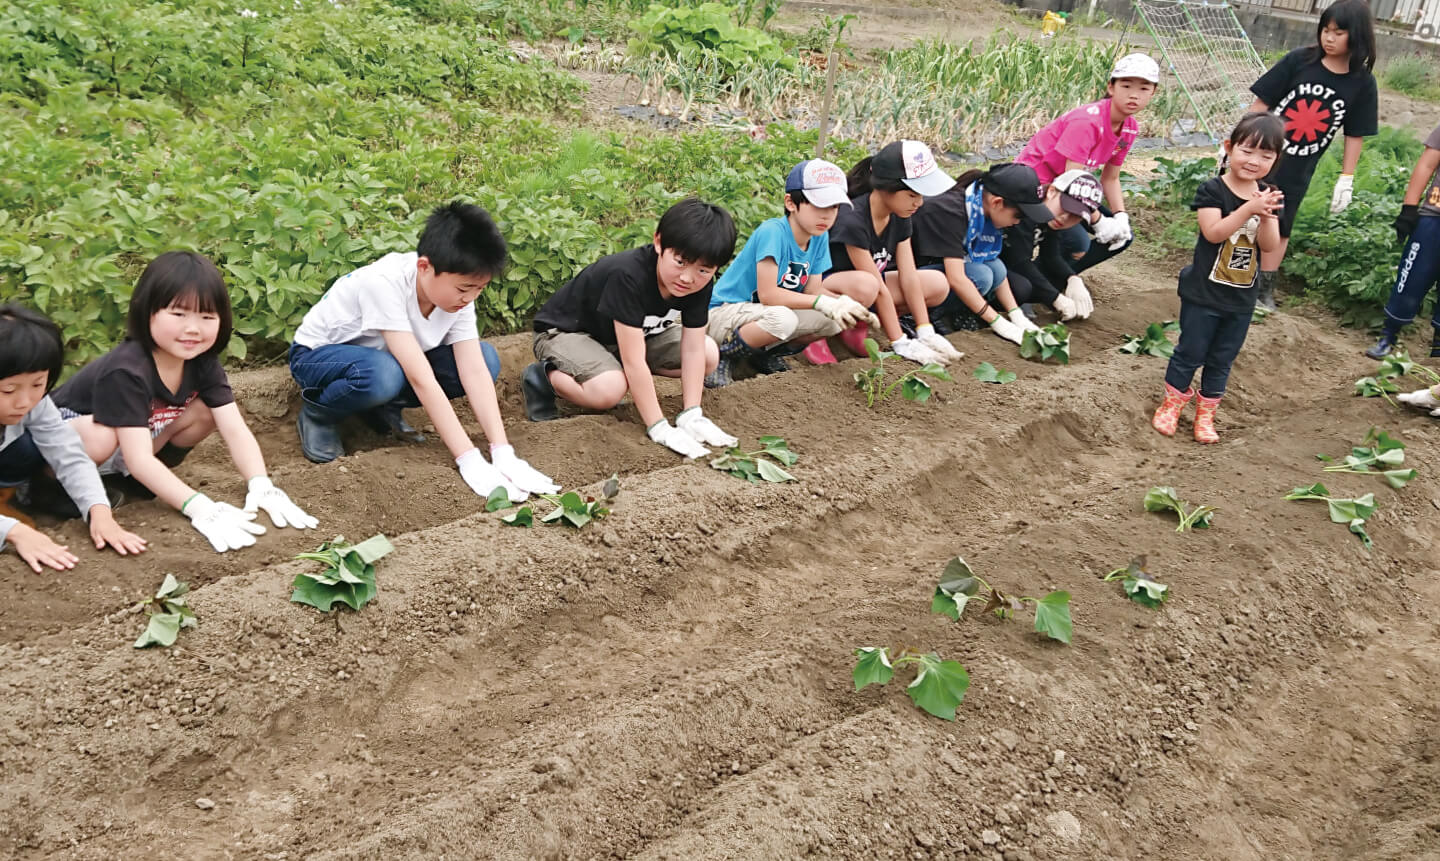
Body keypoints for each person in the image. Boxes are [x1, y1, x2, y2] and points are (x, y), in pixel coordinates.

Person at [290, 201, 556, 503]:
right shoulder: (385, 283)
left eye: (479, 289)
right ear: (424, 267)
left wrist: (502, 451)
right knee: (383, 375)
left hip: (384, 361)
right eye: (464, 288)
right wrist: (468, 458)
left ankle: (381, 406)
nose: (470, 298)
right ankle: (319, 414)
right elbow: (421, 379)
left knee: (486, 358)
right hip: (319, 356)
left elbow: (473, 370)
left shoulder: (459, 296)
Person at [53, 252, 317, 553]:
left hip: (129, 444)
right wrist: (198, 506)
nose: (193, 328)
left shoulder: (202, 362)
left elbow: (234, 428)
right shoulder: (126, 370)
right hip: (62, 451)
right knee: (102, 435)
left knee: (205, 412)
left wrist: (261, 484)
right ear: (146, 311)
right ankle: (51, 493)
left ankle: (139, 485)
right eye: (179, 315)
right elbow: (138, 458)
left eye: (207, 317)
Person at [521, 198, 741, 460]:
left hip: (626, 337)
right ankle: (542, 377)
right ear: (659, 243)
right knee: (611, 389)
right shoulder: (628, 276)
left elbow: (692, 347)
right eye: (680, 262)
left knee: (708, 353)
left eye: (703, 270)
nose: (688, 278)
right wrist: (658, 426)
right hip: (566, 333)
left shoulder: (699, 284)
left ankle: (608, 368)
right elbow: (634, 361)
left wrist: (691, 411)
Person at [1153, 113, 1286, 443]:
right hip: (1203, 293)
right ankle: (1171, 406)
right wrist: (1248, 210)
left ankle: (1205, 415)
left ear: (1275, 160)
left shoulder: (1268, 195)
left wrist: (1266, 215)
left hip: (1241, 297)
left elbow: (1268, 248)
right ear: (1229, 148)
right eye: (1247, 151)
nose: (1255, 161)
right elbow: (1213, 233)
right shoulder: (1213, 189)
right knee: (1191, 350)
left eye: (1266, 155)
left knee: (1223, 358)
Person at [1246, 0, 1378, 311]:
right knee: (1242, 212)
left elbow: (1354, 134)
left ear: (1356, 36)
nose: (1329, 38)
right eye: (1326, 30)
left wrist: (1346, 178)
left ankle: (1264, 288)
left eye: (1338, 32)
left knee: (1282, 223)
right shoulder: (1299, 61)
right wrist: (1240, 144)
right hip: (1262, 157)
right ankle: (1228, 274)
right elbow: (1260, 105)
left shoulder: (1361, 82)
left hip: (1299, 167)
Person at [0, 305, 147, 572]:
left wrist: (98, 510)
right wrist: (16, 532)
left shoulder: (36, 404)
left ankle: (14, 495)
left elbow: (68, 452)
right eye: (9, 390)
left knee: (32, 445)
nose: (24, 401)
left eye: (37, 384)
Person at [704, 159, 874, 388]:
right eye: (818, 206)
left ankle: (765, 355)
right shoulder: (773, 232)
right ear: (791, 203)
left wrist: (846, 305)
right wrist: (825, 302)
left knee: (832, 321)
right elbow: (769, 296)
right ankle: (724, 358)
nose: (826, 216)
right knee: (783, 319)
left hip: (762, 316)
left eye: (833, 207)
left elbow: (813, 291)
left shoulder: (819, 237)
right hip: (722, 313)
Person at [821, 140, 964, 366]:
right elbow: (878, 288)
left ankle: (864, 322)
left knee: (937, 283)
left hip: (867, 288)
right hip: (828, 289)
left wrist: (925, 329)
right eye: (912, 195)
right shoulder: (853, 219)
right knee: (867, 285)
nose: (919, 202)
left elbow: (909, 276)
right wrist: (899, 341)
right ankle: (824, 332)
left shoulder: (900, 215)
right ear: (886, 187)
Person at [1015, 52, 1159, 275]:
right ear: (1111, 87)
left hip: (1068, 187)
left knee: (1122, 238)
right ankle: (1028, 284)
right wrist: (1099, 221)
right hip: (1036, 182)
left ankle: (1055, 281)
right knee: (1077, 242)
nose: (1134, 95)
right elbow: (1071, 184)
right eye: (1127, 86)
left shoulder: (1129, 129)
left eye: (1143, 88)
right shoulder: (1088, 122)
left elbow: (1110, 178)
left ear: (1153, 93)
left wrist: (1120, 216)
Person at [908, 163, 1057, 347]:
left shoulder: (980, 207)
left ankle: (961, 311)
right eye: (1018, 215)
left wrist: (1016, 316)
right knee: (981, 276)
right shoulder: (951, 211)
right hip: (908, 277)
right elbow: (957, 278)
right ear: (997, 202)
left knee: (996, 268)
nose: (1018, 222)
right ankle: (923, 316)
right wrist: (998, 323)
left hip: (933, 272)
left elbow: (996, 268)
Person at [1363, 121, 1440, 359]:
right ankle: (1388, 336)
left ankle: (1437, 349)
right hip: (1433, 217)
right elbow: (1427, 164)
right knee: (1412, 277)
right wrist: (1409, 208)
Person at [999, 169, 1104, 322]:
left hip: (1005, 264)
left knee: (1054, 279)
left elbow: (1051, 255)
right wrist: (1055, 298)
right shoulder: (1027, 208)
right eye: (1066, 208)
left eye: (1075, 216)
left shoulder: (1051, 217)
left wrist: (1072, 278)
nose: (1065, 218)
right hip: (986, 262)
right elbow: (1019, 261)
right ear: (1052, 192)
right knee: (1021, 287)